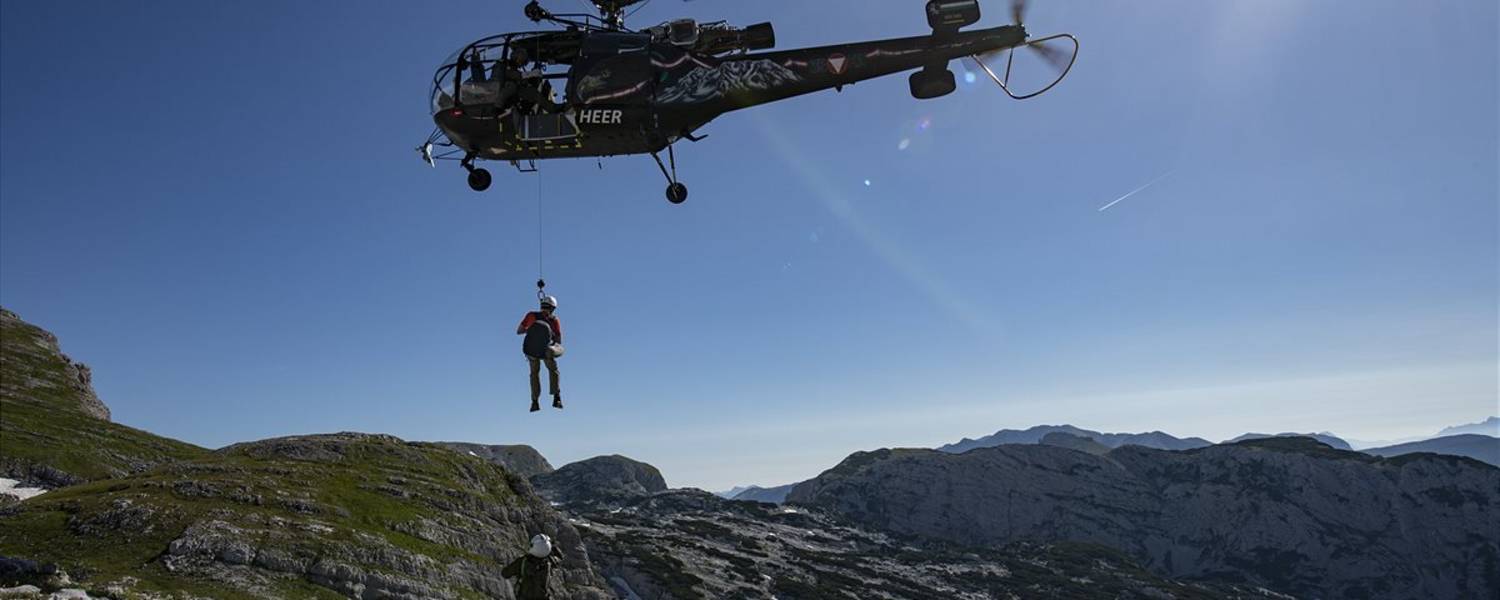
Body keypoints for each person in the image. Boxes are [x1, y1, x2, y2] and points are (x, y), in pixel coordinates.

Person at [517, 295, 563, 412]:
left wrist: (531, 329)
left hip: (532, 350)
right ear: (552, 308)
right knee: (552, 369)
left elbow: (519, 331)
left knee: (534, 374)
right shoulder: (554, 320)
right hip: (544, 351)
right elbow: (558, 341)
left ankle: (534, 401)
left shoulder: (531, 315)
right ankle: (556, 396)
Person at [501, 533, 562, 599]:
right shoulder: (549, 562)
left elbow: (505, 573)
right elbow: (559, 558)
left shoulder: (522, 561)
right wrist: (551, 547)